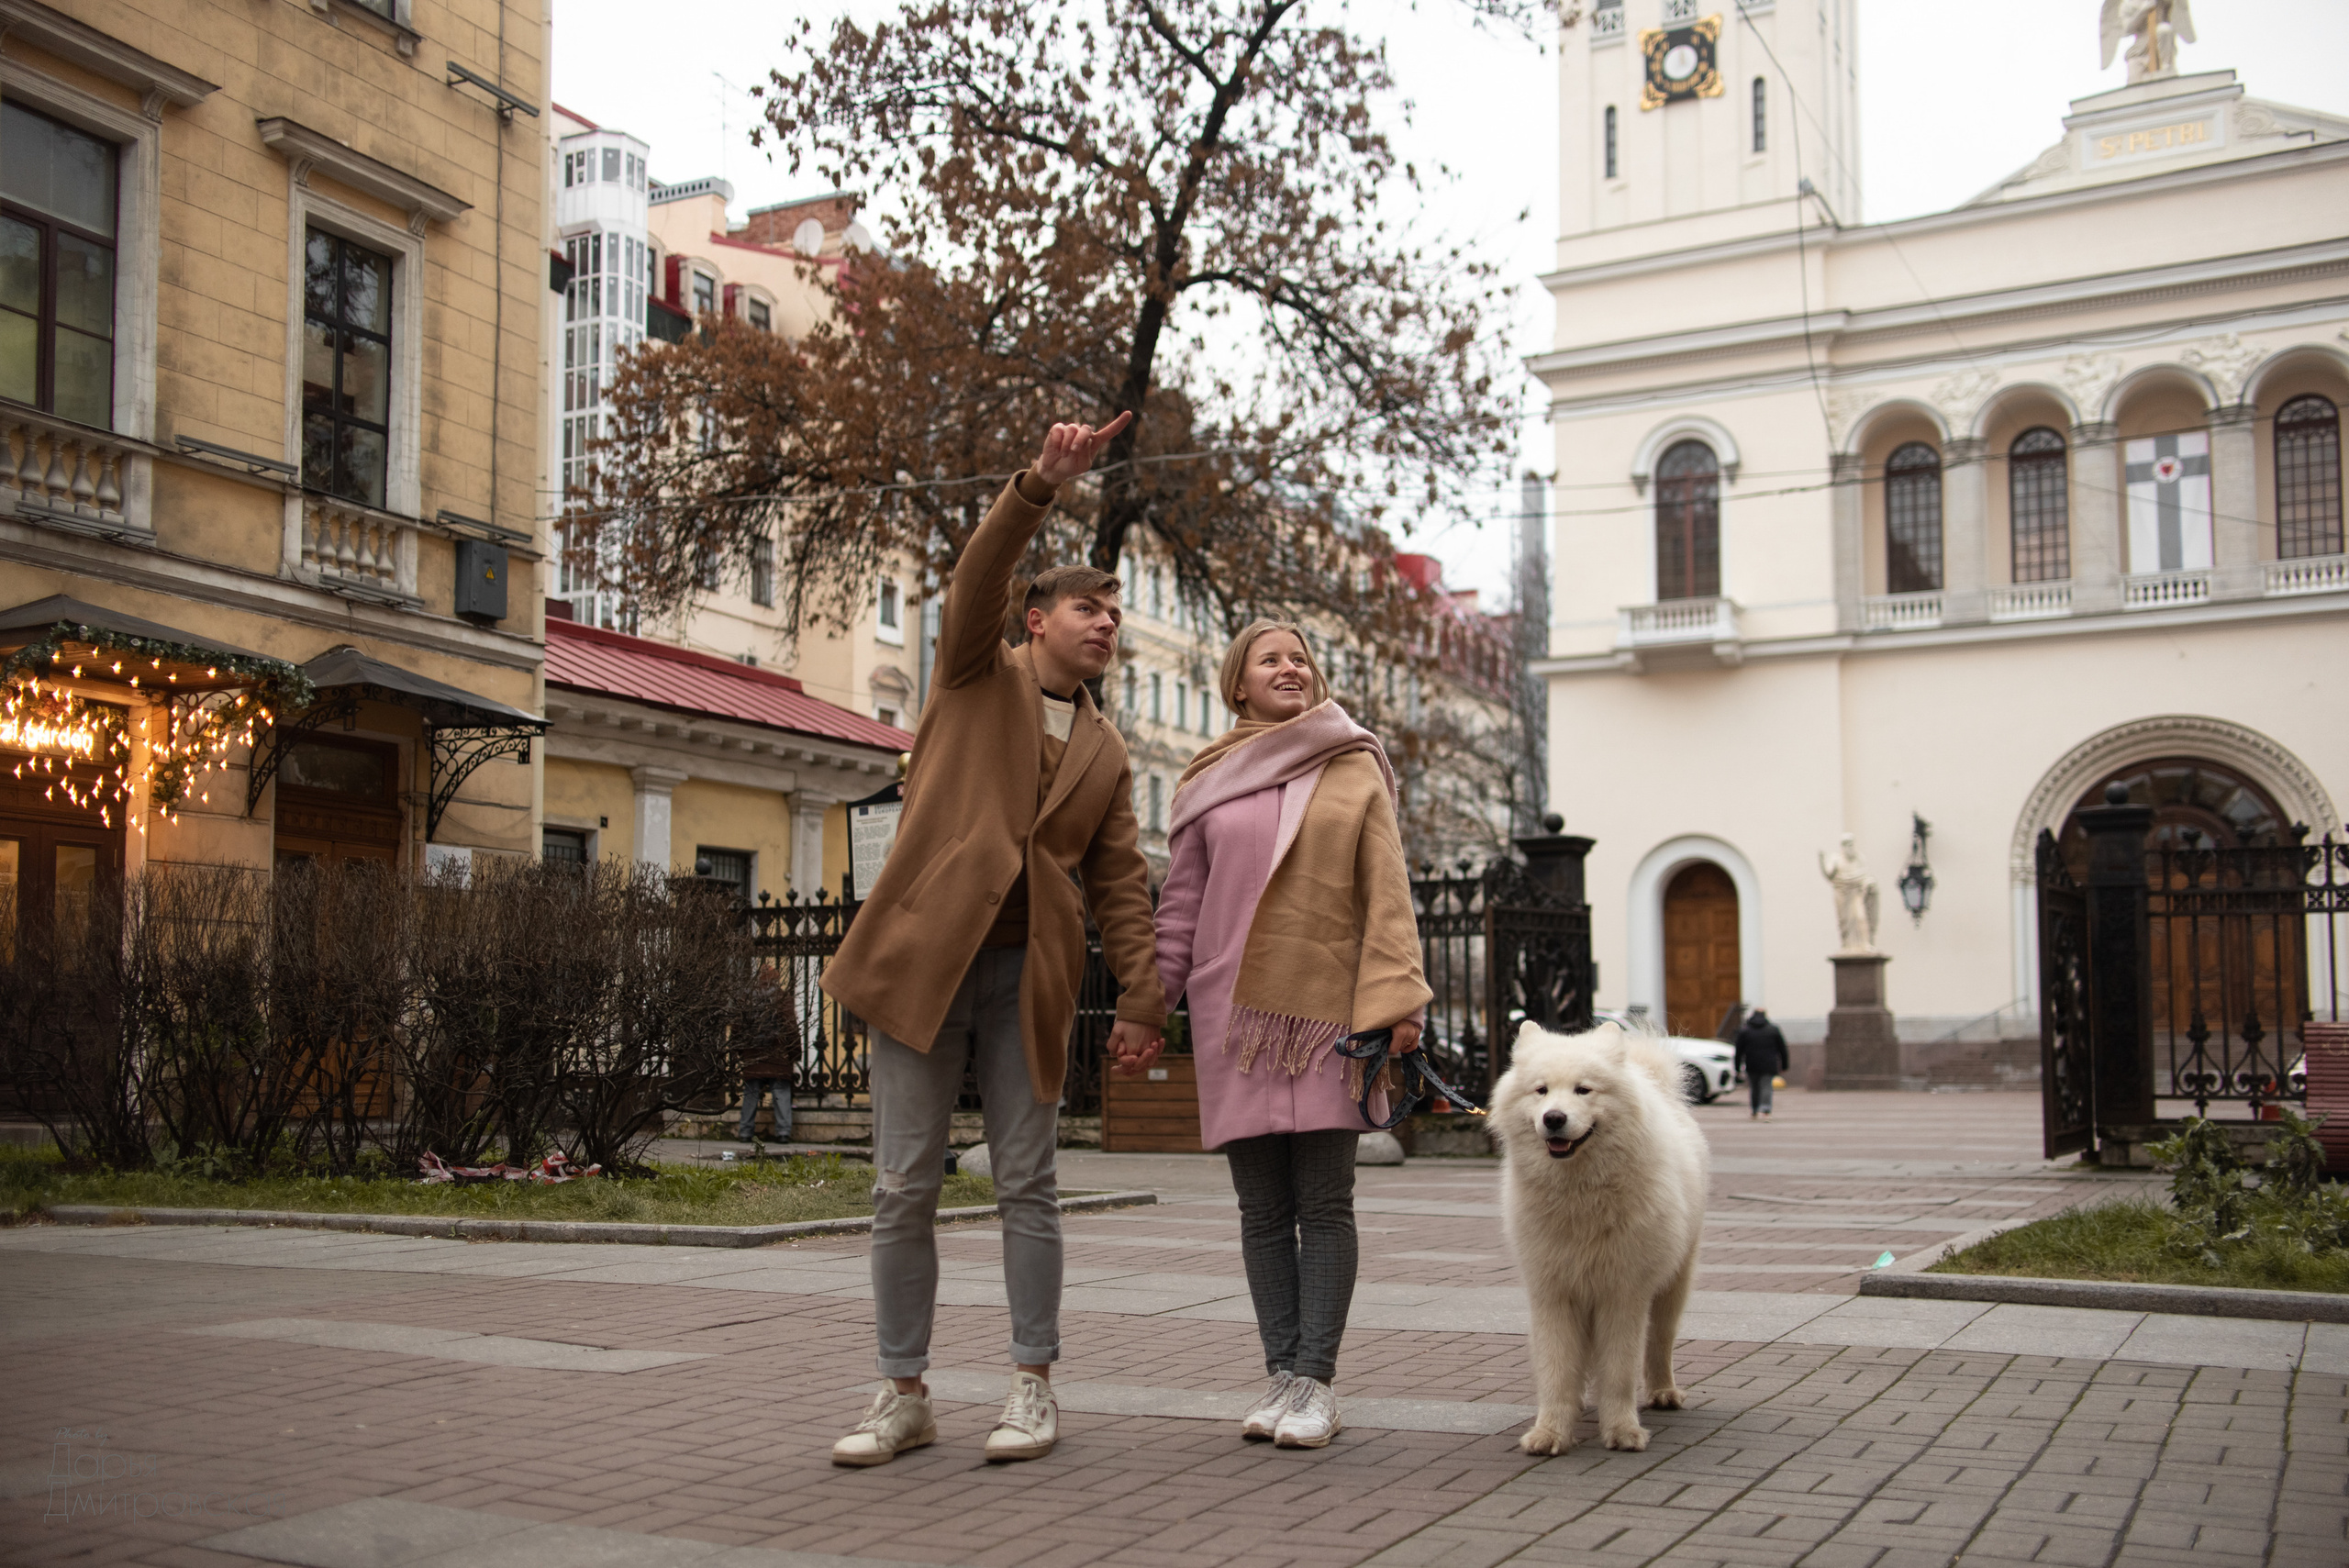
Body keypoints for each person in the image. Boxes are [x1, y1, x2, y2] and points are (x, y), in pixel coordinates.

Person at [820, 415, 1166, 1468]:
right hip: (926, 956)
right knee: (902, 1184)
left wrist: (1146, 1000)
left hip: (1030, 976)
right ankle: (902, 1392)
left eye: (1113, 609)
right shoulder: (977, 672)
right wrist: (1037, 487)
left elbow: (1118, 878)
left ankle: (1031, 1382)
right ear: (1035, 619)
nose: (1104, 621)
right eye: (1085, 605)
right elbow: (972, 581)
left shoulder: (1108, 748)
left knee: (1029, 1180)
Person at [1147, 620, 1431, 1450]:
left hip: (1329, 1018)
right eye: (1271, 658)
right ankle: (1281, 1373)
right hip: (1232, 1017)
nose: (1290, 668)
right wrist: (1144, 1007)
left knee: (1324, 1201)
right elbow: (1180, 909)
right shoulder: (1207, 778)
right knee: (1261, 1208)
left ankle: (1316, 1380)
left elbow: (1388, 893)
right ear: (1238, 683)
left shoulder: (1351, 762)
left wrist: (1400, 1003)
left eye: (1300, 658)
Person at [737, 963, 801, 1145]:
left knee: (750, 1093)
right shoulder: (781, 998)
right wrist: (794, 1053)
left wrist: (742, 1052)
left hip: (753, 1055)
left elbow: (737, 1028)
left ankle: (745, 1131)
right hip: (777, 1056)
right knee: (780, 1091)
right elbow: (790, 1028)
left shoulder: (747, 999)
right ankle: (783, 1132)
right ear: (776, 979)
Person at [1733, 1007, 1788, 1120]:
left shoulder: (1745, 1031)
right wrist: (1784, 1065)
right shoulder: (1773, 1030)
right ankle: (1766, 1110)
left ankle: (1754, 1111)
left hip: (1752, 1064)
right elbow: (1782, 1049)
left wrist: (1737, 1067)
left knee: (1754, 1088)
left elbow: (1738, 1051)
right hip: (1769, 1064)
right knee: (1766, 1086)